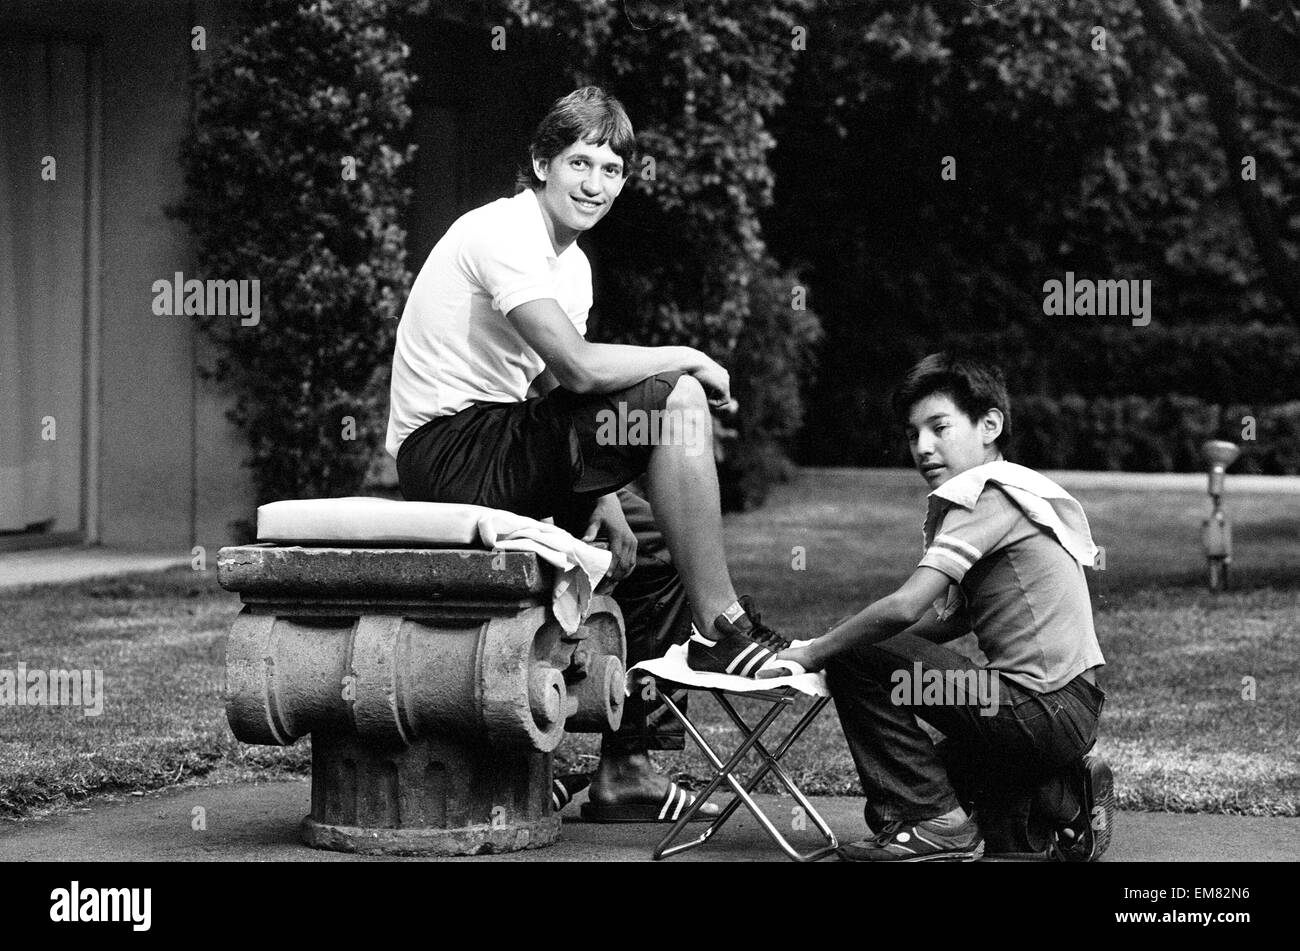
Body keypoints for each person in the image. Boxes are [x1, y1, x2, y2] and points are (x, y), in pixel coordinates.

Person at [385, 86, 791, 823]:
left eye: (612, 169)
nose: (595, 183)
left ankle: (627, 767)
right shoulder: (504, 233)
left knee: (658, 547)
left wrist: (605, 500)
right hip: (449, 450)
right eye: (579, 162)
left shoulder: (571, 266)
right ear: (541, 162)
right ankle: (723, 628)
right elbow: (576, 370)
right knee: (677, 399)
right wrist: (691, 357)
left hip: (506, 438)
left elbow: (550, 391)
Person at [777, 353, 1112, 862]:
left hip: (1035, 708)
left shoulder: (984, 494)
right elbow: (952, 619)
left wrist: (820, 651)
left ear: (989, 425)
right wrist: (869, 645)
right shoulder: (1013, 487)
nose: (923, 447)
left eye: (939, 427)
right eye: (913, 435)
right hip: (1066, 709)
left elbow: (907, 606)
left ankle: (940, 827)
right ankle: (1059, 800)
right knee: (928, 791)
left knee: (862, 676)